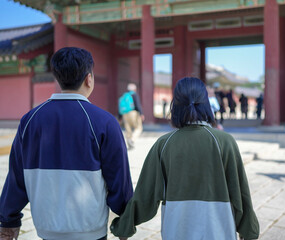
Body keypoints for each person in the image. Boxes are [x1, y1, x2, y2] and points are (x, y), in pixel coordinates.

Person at [0, 47, 133, 240]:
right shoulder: (104, 122)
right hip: (90, 230)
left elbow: (16, 177)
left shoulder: (29, 120)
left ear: (58, 78)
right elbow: (119, 181)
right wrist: (125, 219)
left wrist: (8, 220)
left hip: (46, 228)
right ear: (89, 79)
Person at [110, 77, 259, 240]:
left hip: (176, 231)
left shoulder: (164, 144)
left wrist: (123, 227)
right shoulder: (224, 141)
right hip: (219, 231)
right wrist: (249, 231)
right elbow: (240, 193)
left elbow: (145, 195)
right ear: (206, 103)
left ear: (176, 105)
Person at [119, 83, 144, 150]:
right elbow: (137, 104)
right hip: (133, 113)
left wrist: (120, 117)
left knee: (128, 129)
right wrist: (141, 113)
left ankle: (129, 143)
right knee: (138, 127)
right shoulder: (134, 94)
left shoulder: (124, 96)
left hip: (124, 114)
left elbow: (121, 106)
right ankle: (132, 139)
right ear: (134, 89)